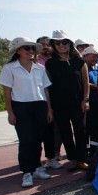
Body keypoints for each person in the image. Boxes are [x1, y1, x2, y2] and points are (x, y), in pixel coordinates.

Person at [0, 37, 53, 187]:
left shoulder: (40, 68)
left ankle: (37, 168)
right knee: (26, 139)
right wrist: (10, 112)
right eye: (27, 48)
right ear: (18, 51)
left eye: (32, 48)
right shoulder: (9, 68)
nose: (31, 51)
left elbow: (45, 90)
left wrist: (49, 109)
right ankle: (26, 172)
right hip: (21, 107)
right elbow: (7, 91)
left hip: (39, 106)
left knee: (37, 139)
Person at [45, 30, 89, 171]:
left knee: (80, 131)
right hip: (59, 105)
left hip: (77, 103)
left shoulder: (80, 61)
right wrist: (50, 108)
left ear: (69, 43)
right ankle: (74, 159)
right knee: (65, 133)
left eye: (64, 42)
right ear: (54, 45)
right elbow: (47, 87)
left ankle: (82, 159)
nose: (61, 45)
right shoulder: (50, 64)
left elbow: (86, 83)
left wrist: (85, 100)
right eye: (57, 43)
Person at [35, 36, 62, 169]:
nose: (45, 46)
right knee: (40, 131)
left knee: (56, 129)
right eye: (42, 44)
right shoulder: (34, 62)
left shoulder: (56, 60)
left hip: (56, 98)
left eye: (47, 44)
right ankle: (36, 160)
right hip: (40, 99)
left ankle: (54, 155)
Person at [82, 46, 98, 157]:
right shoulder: (83, 67)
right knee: (86, 129)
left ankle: (95, 152)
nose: (96, 58)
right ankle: (85, 154)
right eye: (93, 56)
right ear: (85, 56)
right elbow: (85, 83)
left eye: (97, 56)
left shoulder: (97, 68)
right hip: (87, 104)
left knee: (97, 128)